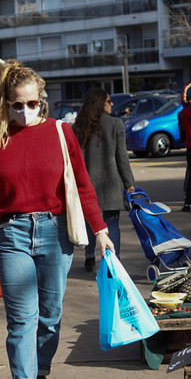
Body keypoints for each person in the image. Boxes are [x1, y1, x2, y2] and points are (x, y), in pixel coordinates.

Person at [0, 60, 113, 379]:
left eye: (33, 104)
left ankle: (41, 374)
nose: (26, 111)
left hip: (54, 232)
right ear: (6, 103)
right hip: (11, 233)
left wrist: (100, 231)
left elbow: (82, 185)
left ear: (42, 101)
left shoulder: (62, 133)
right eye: (17, 104)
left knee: (49, 316)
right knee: (21, 319)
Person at [71, 88, 135, 272]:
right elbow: (122, 157)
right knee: (111, 223)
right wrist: (129, 183)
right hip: (111, 184)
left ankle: (89, 257)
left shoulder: (79, 126)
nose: (112, 104)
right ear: (100, 104)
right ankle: (113, 262)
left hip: (86, 184)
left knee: (91, 222)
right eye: (109, 101)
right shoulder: (116, 124)